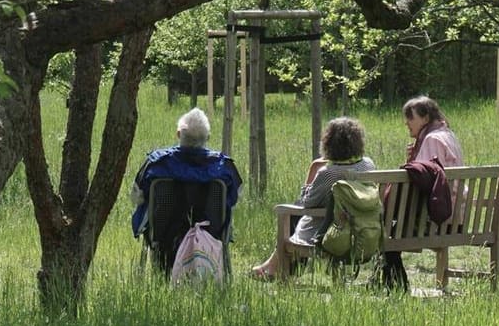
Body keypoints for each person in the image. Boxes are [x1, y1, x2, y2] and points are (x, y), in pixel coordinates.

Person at [250, 116, 374, 280]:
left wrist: (313, 169)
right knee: (296, 215)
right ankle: (272, 266)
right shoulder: (367, 164)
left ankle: (276, 269)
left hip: (331, 232)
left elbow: (307, 203)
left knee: (293, 212)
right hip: (363, 229)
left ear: (328, 143)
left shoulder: (328, 173)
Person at [130, 107, 242, 243]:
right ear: (208, 137)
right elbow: (234, 198)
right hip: (211, 240)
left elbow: (137, 198)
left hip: (163, 238)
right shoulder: (224, 167)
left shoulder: (156, 164)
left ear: (178, 134)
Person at [401, 95, 463, 169]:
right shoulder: (449, 134)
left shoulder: (432, 139)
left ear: (426, 119)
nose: (406, 123)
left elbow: (432, 176)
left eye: (411, 118)